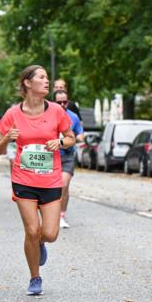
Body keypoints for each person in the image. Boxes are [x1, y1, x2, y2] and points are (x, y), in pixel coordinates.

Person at [0, 65, 76, 296]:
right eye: (41, 77)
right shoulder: (12, 114)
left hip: (51, 180)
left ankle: (39, 243)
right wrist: (7, 140)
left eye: (47, 77)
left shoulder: (56, 112)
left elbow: (71, 138)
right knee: (31, 230)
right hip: (24, 179)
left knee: (49, 234)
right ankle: (35, 278)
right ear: (28, 83)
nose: (46, 81)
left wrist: (60, 143)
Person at [52, 89, 83, 228]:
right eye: (59, 102)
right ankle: (50, 213)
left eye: (65, 102)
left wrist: (76, 138)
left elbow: (80, 135)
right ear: (54, 102)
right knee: (52, 188)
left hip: (68, 156)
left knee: (64, 185)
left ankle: (61, 215)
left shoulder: (74, 117)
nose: (63, 105)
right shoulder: (47, 115)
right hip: (51, 157)